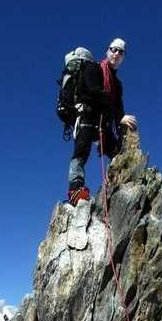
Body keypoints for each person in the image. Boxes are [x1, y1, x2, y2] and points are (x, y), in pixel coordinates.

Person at [67, 38, 137, 206]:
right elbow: (93, 91)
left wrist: (121, 118)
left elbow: (118, 107)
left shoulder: (117, 84)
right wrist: (117, 114)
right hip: (87, 116)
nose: (116, 54)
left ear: (123, 57)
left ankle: (120, 180)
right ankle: (75, 189)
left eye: (121, 52)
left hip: (102, 123)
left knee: (115, 152)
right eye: (114, 50)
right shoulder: (93, 68)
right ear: (108, 51)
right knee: (81, 152)